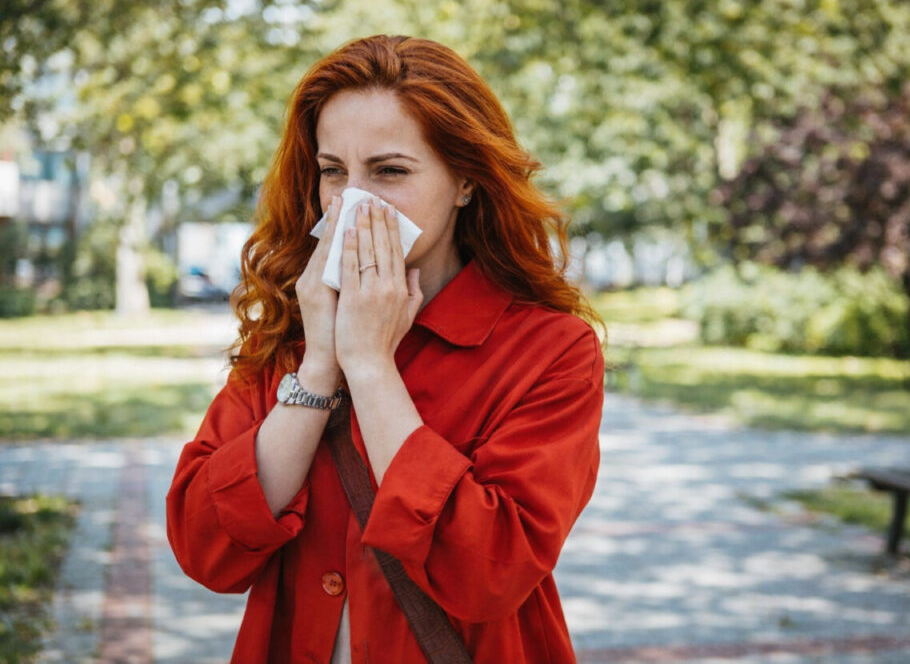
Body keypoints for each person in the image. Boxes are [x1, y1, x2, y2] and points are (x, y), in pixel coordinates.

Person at [165, 34, 605, 664]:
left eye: (390, 171)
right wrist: (321, 360)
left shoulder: (549, 350)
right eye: (333, 171)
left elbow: (491, 570)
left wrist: (370, 365)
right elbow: (204, 546)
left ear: (465, 181)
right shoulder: (293, 328)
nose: (351, 202)